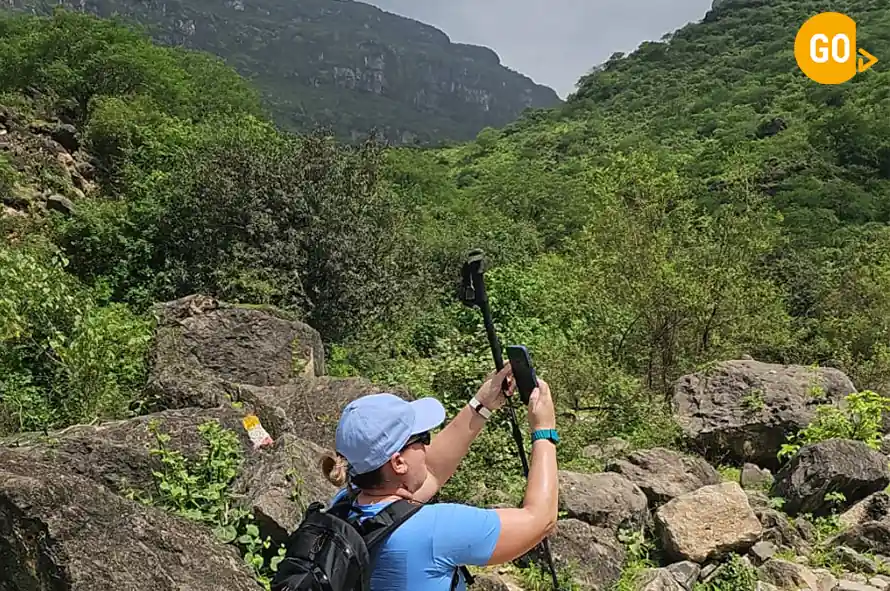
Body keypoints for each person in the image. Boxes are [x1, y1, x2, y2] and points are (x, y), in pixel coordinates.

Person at [319, 362, 559, 591]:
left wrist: (482, 404)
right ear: (398, 463)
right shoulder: (436, 530)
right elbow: (540, 519)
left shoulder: (342, 508)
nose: (427, 447)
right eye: (422, 438)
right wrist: (544, 431)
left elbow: (432, 471)